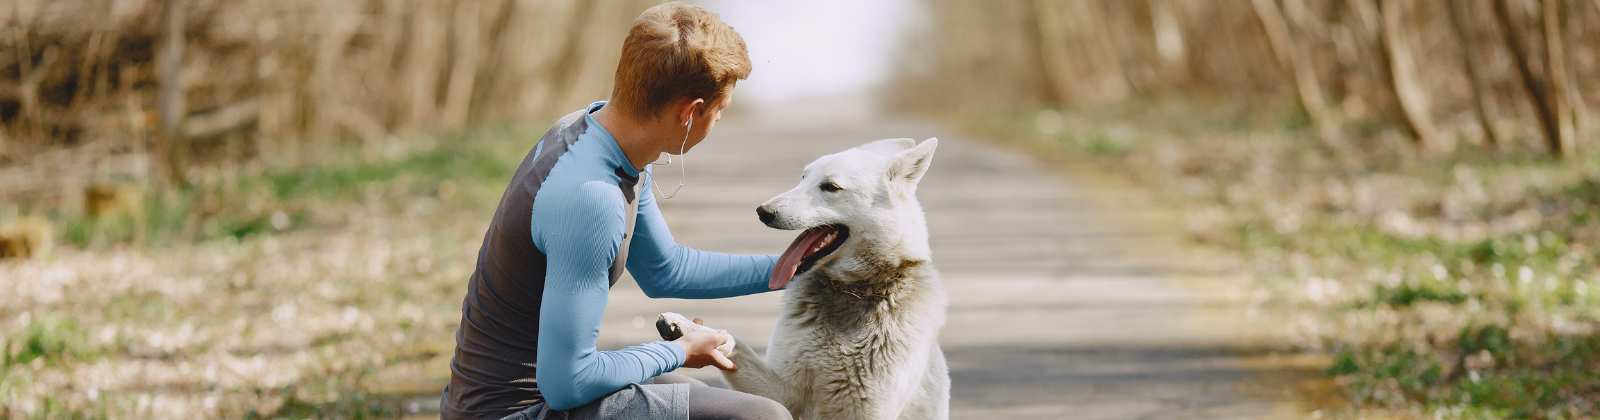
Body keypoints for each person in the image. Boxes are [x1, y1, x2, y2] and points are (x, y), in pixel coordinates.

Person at [439, 3, 791, 420]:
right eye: (720, 110)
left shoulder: (595, 134)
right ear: (689, 112)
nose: (717, 119)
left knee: (692, 391)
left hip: (515, 399)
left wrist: (794, 269)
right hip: (509, 412)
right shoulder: (592, 198)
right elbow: (569, 382)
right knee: (763, 417)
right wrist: (675, 351)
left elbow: (666, 269)